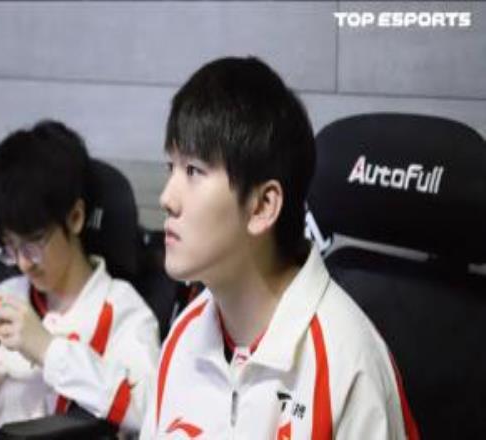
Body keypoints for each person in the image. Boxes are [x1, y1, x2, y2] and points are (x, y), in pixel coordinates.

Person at [140, 56, 419, 439]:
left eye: (193, 171)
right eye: (170, 168)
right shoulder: (182, 337)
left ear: (262, 206)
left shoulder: (348, 363)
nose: (167, 198)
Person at [0, 121, 160, 437]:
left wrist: (48, 350)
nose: (23, 263)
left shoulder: (122, 313)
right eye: (10, 247)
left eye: (33, 242)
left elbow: (151, 413)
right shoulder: (0, 299)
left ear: (76, 217)